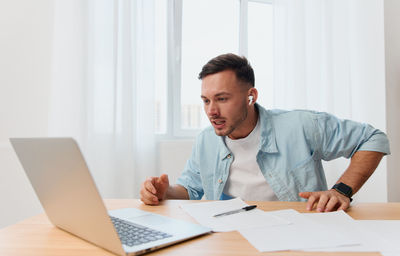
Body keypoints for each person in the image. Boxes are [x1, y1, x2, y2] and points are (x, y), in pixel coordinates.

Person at [140, 53, 390, 212]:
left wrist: (341, 191)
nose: (211, 111)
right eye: (206, 100)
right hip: (228, 236)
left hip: (296, 233)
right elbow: (190, 190)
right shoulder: (206, 139)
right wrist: (166, 193)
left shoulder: (301, 125)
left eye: (222, 99)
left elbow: (373, 138)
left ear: (251, 96)